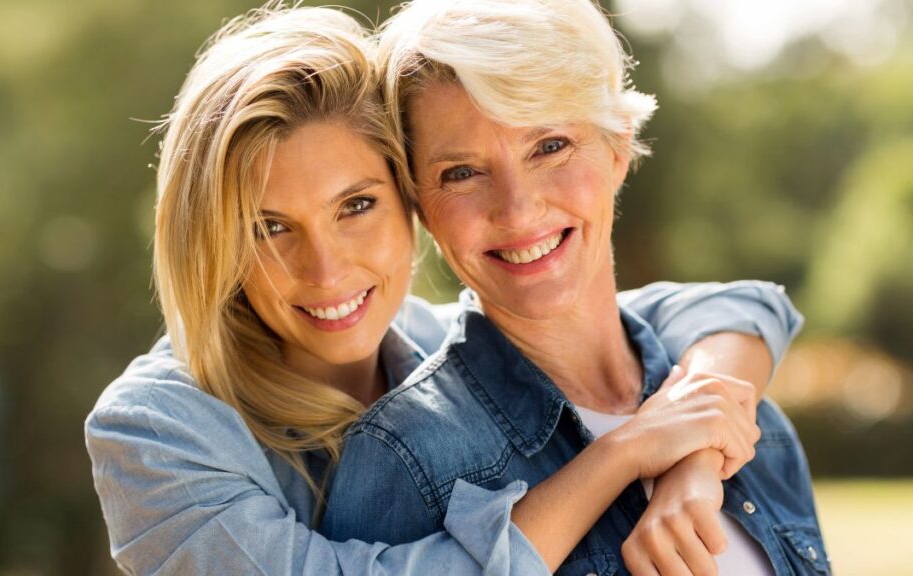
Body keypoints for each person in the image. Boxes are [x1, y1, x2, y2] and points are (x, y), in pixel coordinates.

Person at [86, 4, 805, 575]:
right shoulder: (155, 428)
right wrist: (623, 455)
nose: (327, 270)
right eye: (268, 227)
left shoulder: (436, 339)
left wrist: (697, 451)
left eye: (356, 205)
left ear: (404, 204)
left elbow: (726, 306)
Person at [320, 1, 829, 575]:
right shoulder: (404, 457)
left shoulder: (745, 415)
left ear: (617, 146)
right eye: (460, 172)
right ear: (420, 207)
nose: (517, 210)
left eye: (550, 145)